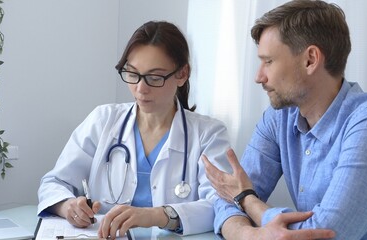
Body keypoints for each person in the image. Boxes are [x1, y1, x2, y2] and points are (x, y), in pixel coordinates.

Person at [37, 20, 233, 239]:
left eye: (154, 77)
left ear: (182, 74)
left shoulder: (208, 134)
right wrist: (68, 206)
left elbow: (221, 205)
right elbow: (54, 183)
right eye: (132, 74)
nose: (140, 89)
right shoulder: (103, 120)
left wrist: (155, 216)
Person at [202, 0, 367, 239]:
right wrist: (249, 235)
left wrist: (247, 200)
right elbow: (224, 202)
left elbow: (328, 233)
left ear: (310, 60)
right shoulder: (279, 117)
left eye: (268, 61)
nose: (258, 77)